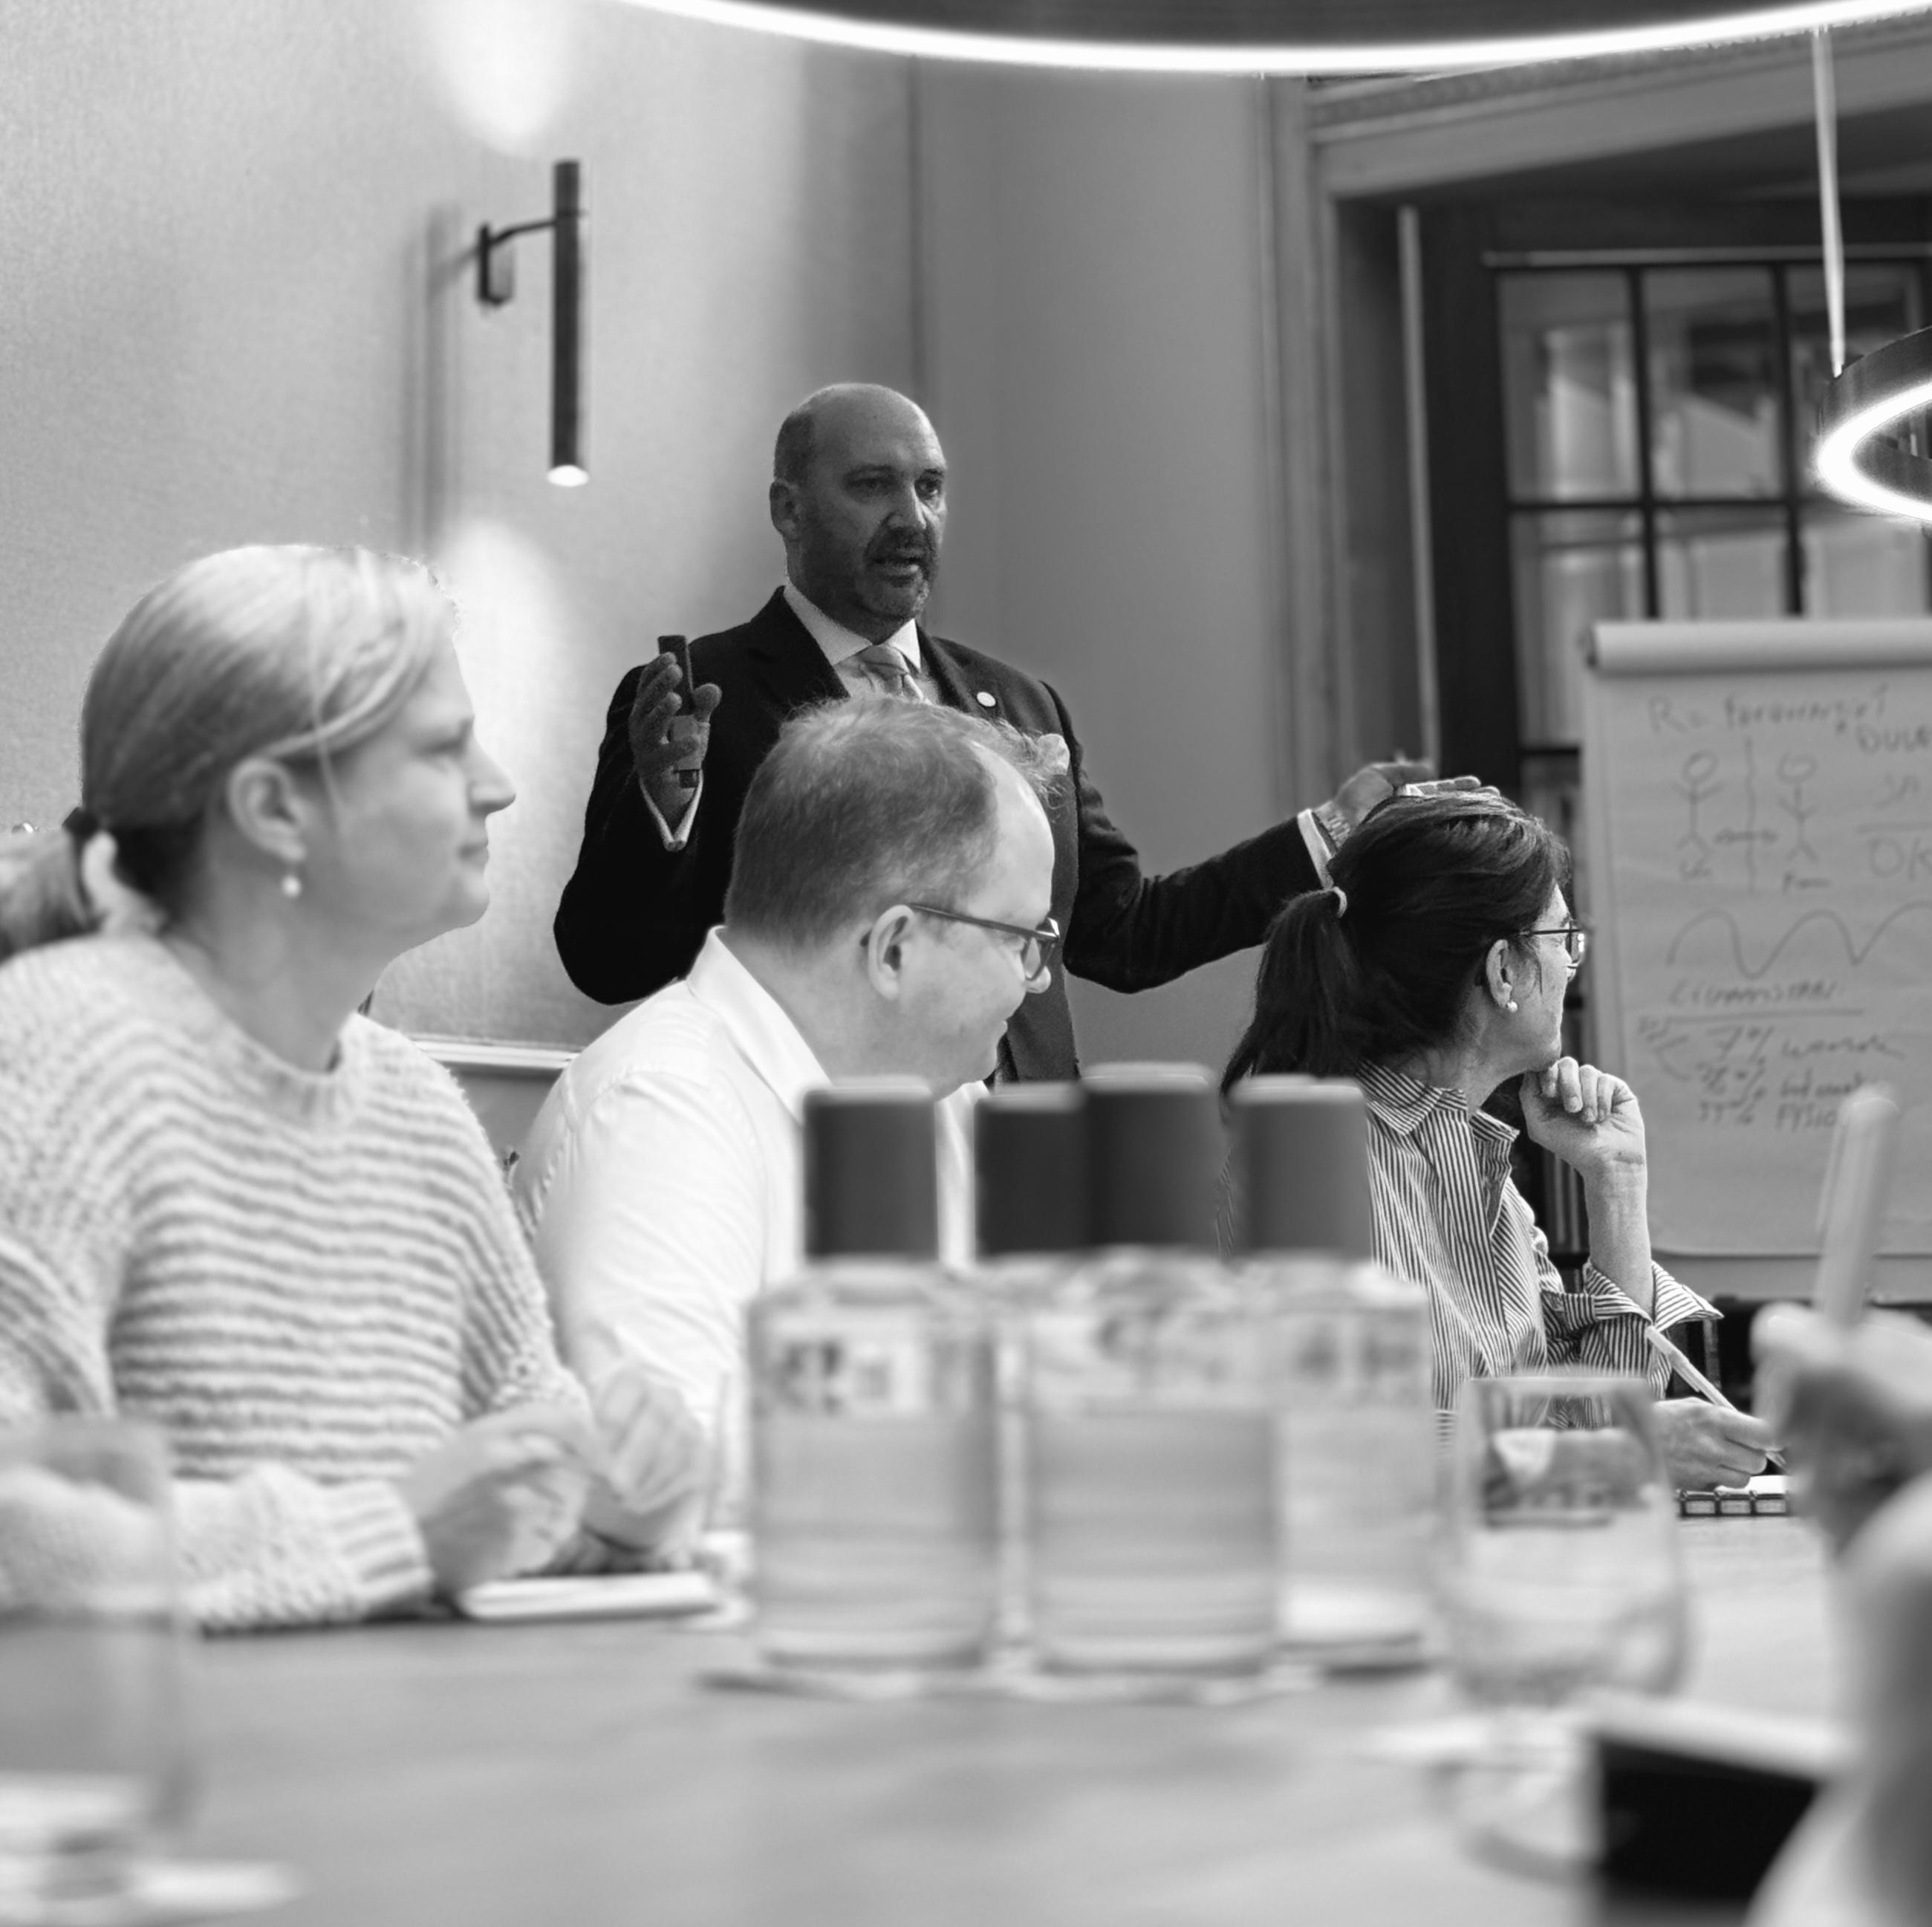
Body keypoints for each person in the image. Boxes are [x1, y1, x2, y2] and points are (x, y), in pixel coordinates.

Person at [0, 545, 702, 1632]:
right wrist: (392, 1532)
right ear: (274, 808)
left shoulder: (418, 1113)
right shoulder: (50, 1064)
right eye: (443, 746)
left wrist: (631, 1499)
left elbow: (510, 1501)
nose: (498, 784)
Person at [552, 381, 1435, 1079]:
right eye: (872, 485)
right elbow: (605, 959)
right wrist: (665, 814)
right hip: (823, 1146)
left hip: (1027, 1158)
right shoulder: (701, 700)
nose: (912, 518)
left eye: (930, 487)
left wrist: (1329, 833)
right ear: (788, 508)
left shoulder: (1021, 703)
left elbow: (1125, 931)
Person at [516, 698, 1056, 1432]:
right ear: (894, 948)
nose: (1036, 978)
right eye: (1021, 938)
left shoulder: (947, 1100)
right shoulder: (659, 1112)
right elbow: (679, 1476)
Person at [1221, 788, 1775, 1489]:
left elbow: (1589, 1427)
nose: (1571, 963)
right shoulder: (1313, 1170)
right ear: (1503, 969)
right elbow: (1332, 1455)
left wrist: (1616, 1184)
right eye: (1562, 938)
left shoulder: (1483, 1171)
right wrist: (1618, 1452)